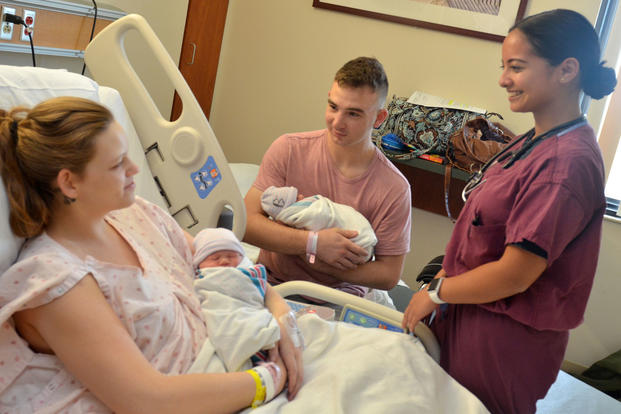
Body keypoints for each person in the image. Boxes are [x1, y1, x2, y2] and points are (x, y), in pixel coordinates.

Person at [0, 97, 301, 413]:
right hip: (207, 393)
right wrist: (269, 378)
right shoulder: (56, 282)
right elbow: (148, 400)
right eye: (118, 163)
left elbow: (227, 266)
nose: (134, 168)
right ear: (70, 182)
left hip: (235, 361)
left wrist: (282, 316)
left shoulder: (136, 214)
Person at [402, 9, 617, 414]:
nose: (503, 79)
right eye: (503, 67)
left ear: (566, 70)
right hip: (468, 316)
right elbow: (484, 235)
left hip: (502, 341)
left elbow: (516, 272)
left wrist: (436, 292)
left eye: (516, 68)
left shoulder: (565, 164)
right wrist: (443, 282)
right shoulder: (533, 140)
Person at [244, 56, 412, 299]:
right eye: (333, 107)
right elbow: (247, 224)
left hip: (341, 296)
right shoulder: (288, 149)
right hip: (273, 283)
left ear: (378, 118)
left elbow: (388, 274)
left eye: (353, 114)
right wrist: (313, 244)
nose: (338, 122)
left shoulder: (394, 188)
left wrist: (327, 265)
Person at [260, 185, 377, 262]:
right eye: (296, 198)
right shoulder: (300, 215)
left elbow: (330, 211)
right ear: (288, 208)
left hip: (345, 286)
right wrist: (314, 242)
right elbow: (320, 216)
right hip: (281, 281)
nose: (301, 196)